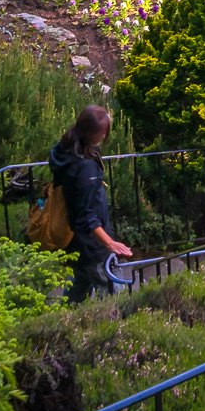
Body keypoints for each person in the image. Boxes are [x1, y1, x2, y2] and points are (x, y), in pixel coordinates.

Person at [49, 104, 133, 301]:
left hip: (75, 241)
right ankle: (121, 329)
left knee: (79, 286)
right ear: (94, 134)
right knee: (115, 295)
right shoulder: (85, 167)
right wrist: (110, 243)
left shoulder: (65, 152)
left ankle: (62, 323)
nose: (105, 137)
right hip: (92, 245)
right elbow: (87, 216)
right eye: (104, 132)